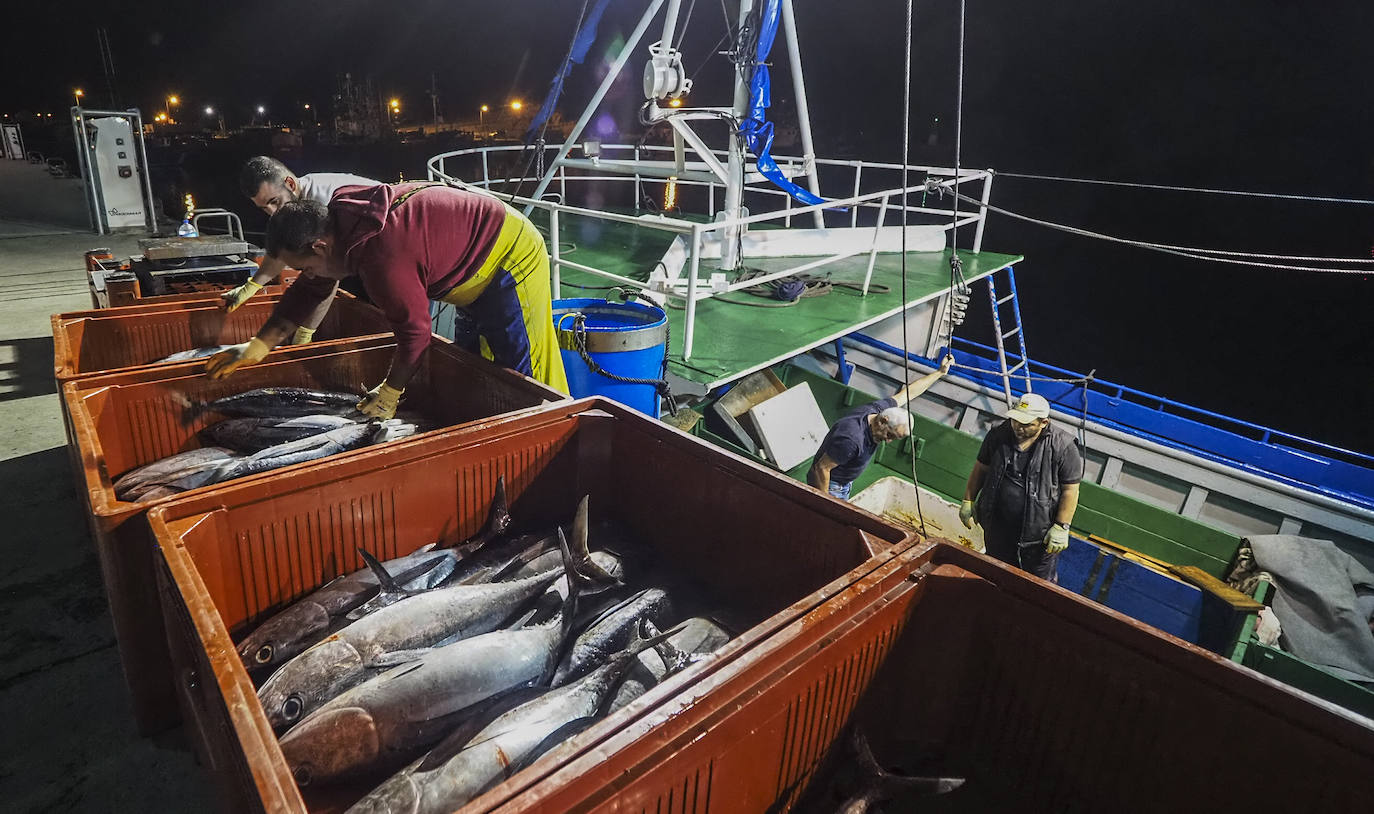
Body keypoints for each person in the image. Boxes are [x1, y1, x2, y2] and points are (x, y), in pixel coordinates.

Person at [205, 182, 569, 415]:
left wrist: (391, 391)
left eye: (307, 267)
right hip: (466, 265)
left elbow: (416, 335)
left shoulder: (381, 259)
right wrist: (257, 346)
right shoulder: (341, 224)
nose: (309, 276)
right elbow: (310, 288)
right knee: (477, 364)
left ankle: (556, 430)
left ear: (320, 246)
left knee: (523, 376)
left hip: (509, 255)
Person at [222, 157, 382, 344]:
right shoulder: (293, 206)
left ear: (290, 183)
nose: (273, 212)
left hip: (384, 250)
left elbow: (327, 276)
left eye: (274, 201)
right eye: (264, 207)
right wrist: (251, 286)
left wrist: (305, 332)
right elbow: (281, 252)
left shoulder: (323, 203)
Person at [959, 392, 1082, 582]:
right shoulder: (998, 434)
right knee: (994, 574)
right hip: (997, 527)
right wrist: (968, 500)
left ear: (1044, 423)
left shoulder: (1063, 446)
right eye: (1016, 421)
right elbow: (981, 469)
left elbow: (1070, 490)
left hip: (1037, 538)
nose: (1018, 427)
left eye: (1027, 424)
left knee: (1037, 585)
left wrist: (1061, 526)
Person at [808, 355, 954, 500]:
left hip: (844, 481)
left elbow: (908, 394)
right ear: (883, 421)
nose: (889, 441)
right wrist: (825, 503)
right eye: (890, 435)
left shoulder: (878, 409)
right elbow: (821, 468)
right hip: (832, 484)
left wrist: (940, 372)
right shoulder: (852, 439)